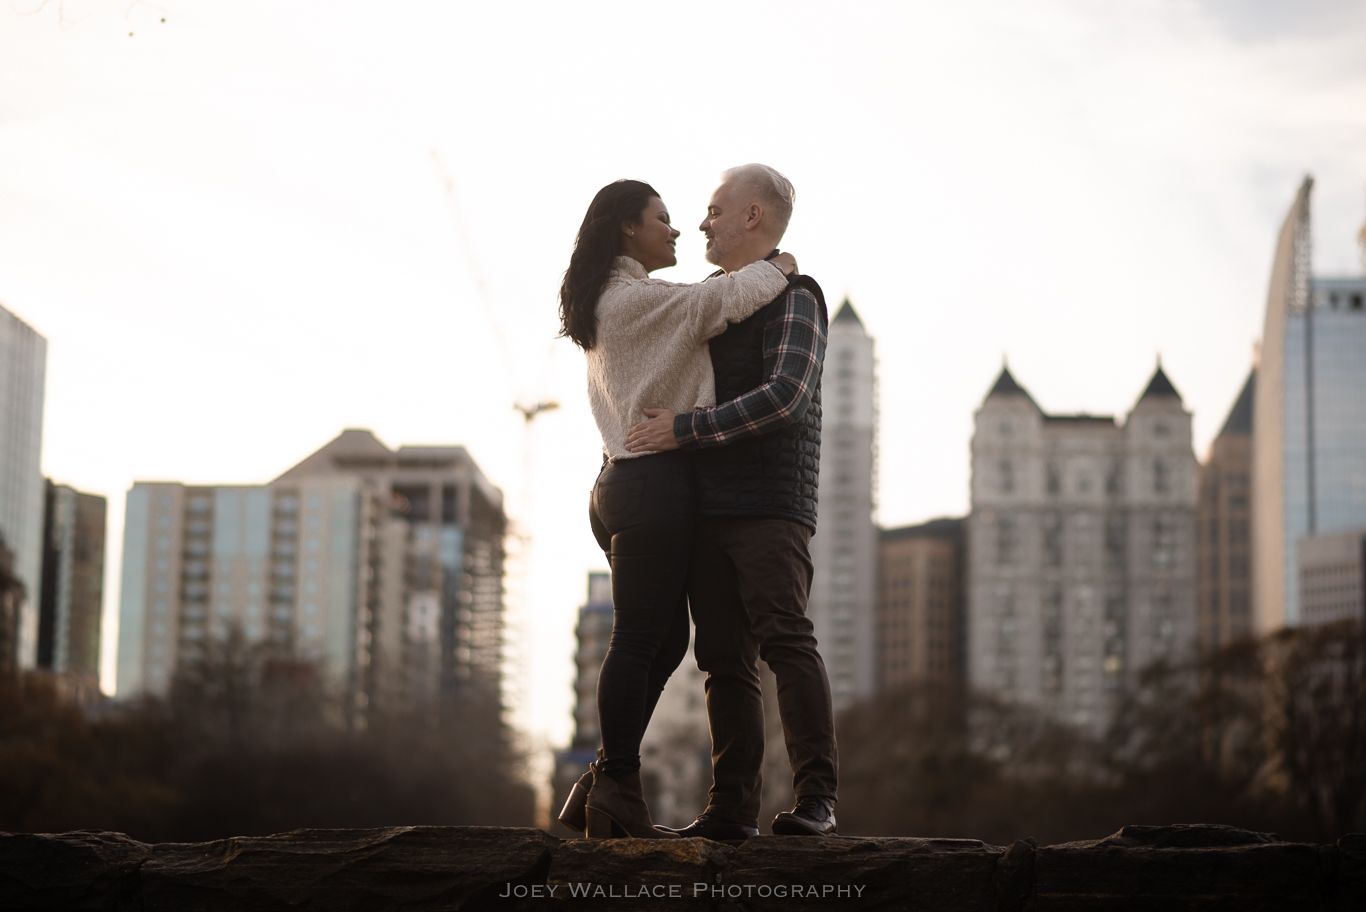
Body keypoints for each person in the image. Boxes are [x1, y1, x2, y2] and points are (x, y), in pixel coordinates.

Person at [555, 179, 798, 838]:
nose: (678, 230)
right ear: (628, 228)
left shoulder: (615, 299)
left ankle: (607, 780)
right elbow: (723, 298)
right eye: (662, 219)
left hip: (625, 487)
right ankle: (615, 789)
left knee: (662, 643)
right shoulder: (634, 298)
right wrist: (779, 266)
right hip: (650, 485)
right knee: (639, 640)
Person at [624, 164, 839, 838]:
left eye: (716, 209)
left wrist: (681, 430)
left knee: (784, 639)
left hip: (771, 504)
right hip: (705, 505)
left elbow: (786, 396)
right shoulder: (713, 301)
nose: (702, 222)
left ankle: (817, 802)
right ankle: (729, 812)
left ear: (753, 216)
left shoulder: (797, 295)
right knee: (722, 658)